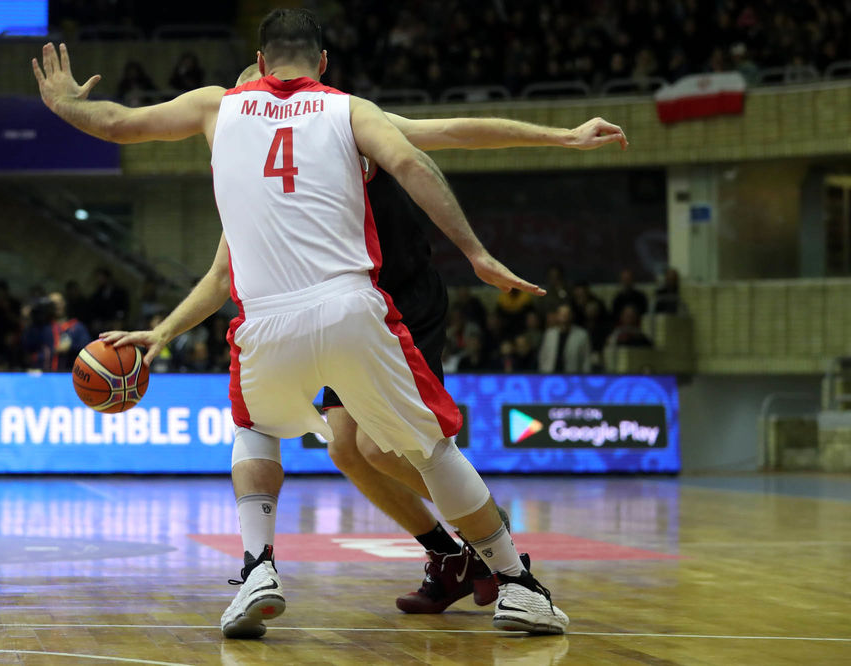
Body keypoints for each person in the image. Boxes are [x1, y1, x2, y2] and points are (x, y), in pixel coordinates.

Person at [33, 11, 626, 638]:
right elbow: (430, 151)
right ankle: (510, 579)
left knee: (262, 431)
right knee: (414, 449)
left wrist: (65, 103)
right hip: (354, 306)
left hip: (301, 313)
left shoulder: (220, 110)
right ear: (320, 63)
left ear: (260, 67)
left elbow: (118, 124)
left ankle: (258, 569)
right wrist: (480, 247)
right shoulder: (346, 109)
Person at [538, 304, 591, 374]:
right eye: (561, 314)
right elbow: (543, 355)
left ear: (571, 316)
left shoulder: (582, 335)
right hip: (550, 374)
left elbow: (586, 359)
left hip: (572, 375)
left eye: (567, 314)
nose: (564, 317)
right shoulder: (549, 334)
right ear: (557, 316)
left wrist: (585, 376)